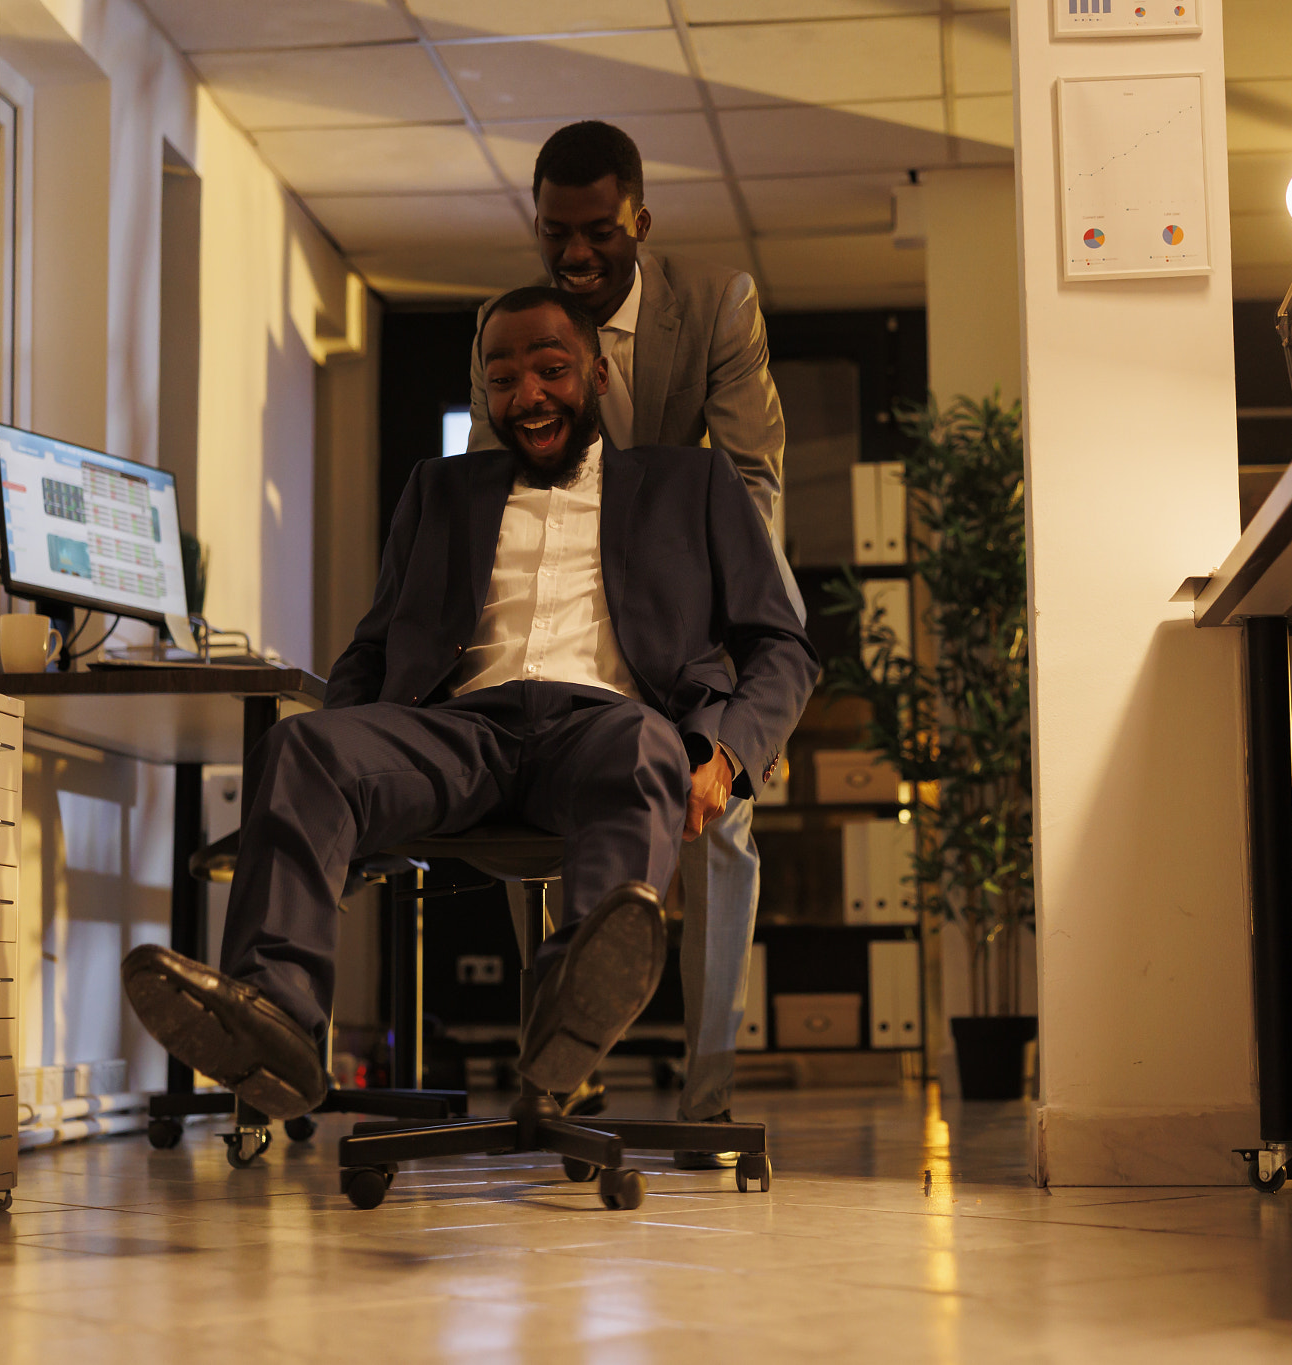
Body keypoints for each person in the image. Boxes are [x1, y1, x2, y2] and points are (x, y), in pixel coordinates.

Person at [122, 289, 818, 1122]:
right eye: (504, 378)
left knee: (645, 745)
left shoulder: (688, 482)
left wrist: (730, 754)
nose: (528, 396)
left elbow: (783, 644)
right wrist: (345, 745)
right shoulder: (439, 490)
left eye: (552, 371)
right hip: (459, 732)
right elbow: (373, 649)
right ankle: (278, 1026)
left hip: (606, 726)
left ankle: (577, 1004)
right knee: (303, 746)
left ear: (597, 373)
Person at [468, 121, 794, 1157]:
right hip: (565, 613)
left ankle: (706, 1094)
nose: (573, 257)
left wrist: (753, 636)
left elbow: (751, 481)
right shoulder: (513, 324)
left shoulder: (717, 306)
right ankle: (566, 1071)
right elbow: (491, 492)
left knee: (723, 822)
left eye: (597, 232)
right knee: (540, 802)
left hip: (686, 602)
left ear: (638, 220)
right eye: (555, 232)